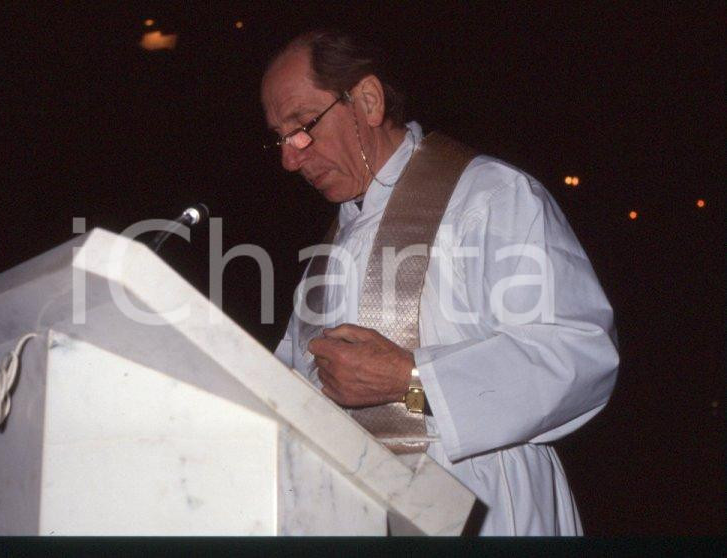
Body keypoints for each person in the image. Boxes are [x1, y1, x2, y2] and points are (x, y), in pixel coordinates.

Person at [263, 29, 619, 536]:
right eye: (279, 137)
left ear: (367, 100)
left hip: (486, 504)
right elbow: (291, 386)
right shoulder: (330, 250)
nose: (289, 158)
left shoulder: (489, 195)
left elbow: (578, 354)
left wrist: (413, 381)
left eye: (302, 126)